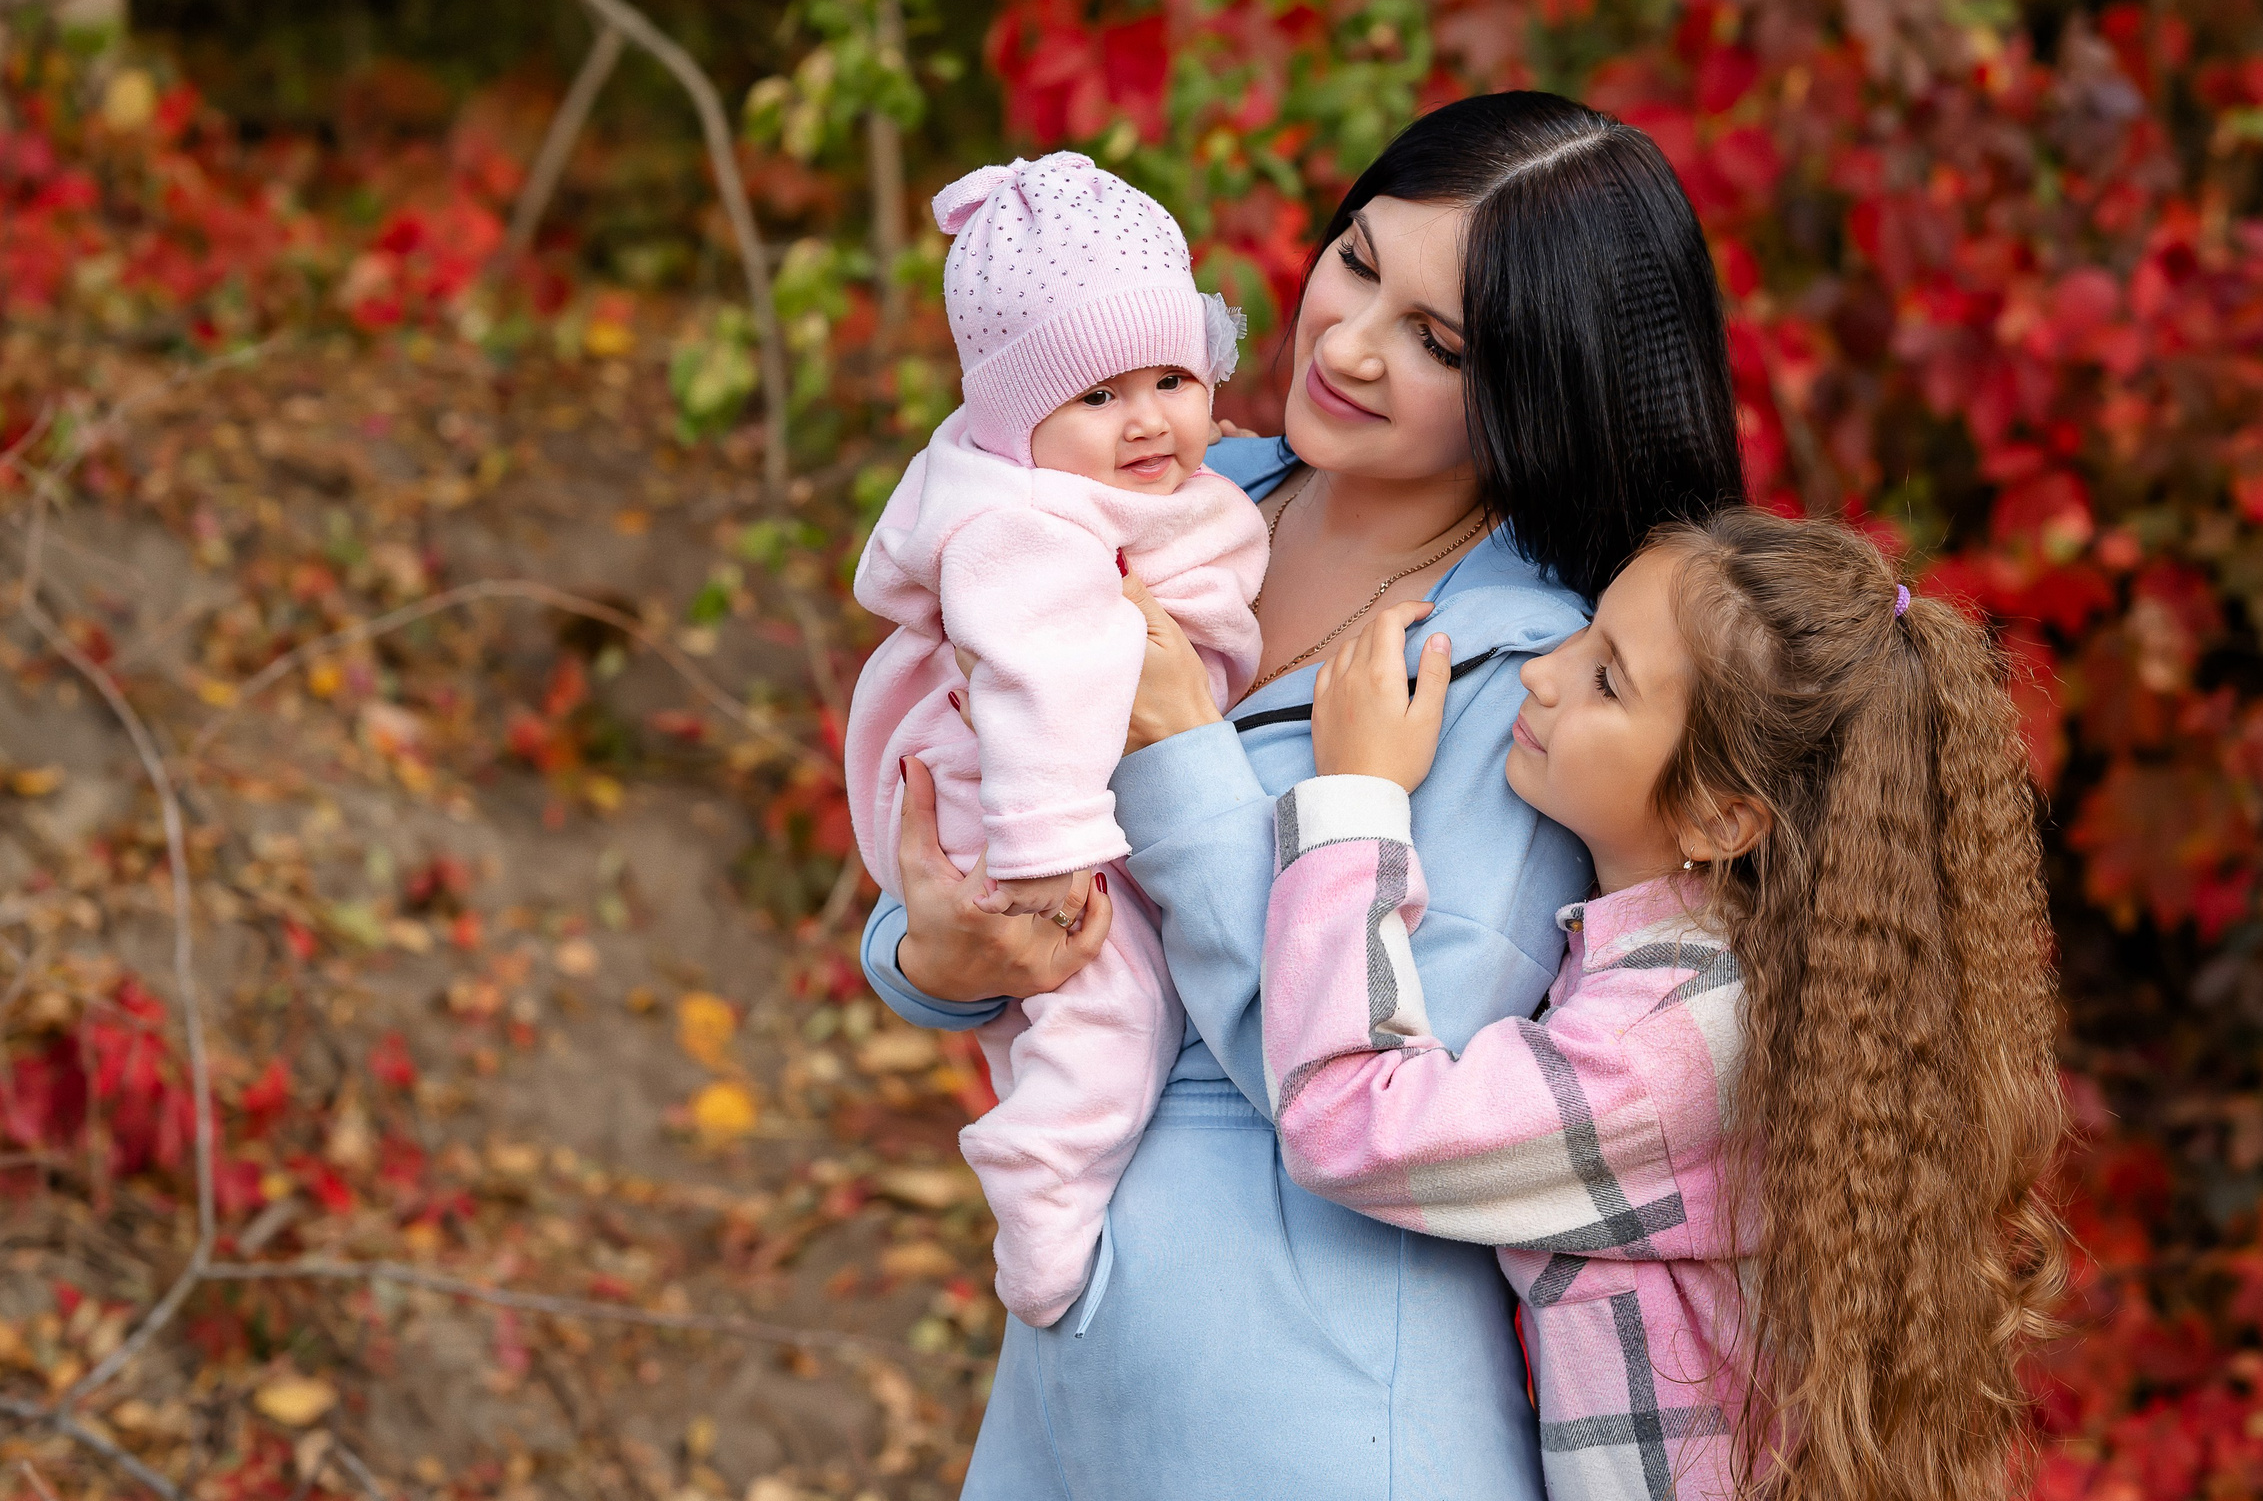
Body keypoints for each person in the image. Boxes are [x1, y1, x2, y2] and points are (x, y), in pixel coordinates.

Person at [863, 92, 1744, 1498]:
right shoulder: (1169, 493)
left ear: (1544, 383)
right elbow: (964, 796)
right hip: (1074, 1380)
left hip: (1317, 1409)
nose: (1343, 343)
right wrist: (933, 957)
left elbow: (1384, 1079)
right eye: (1354, 259)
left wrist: (1173, 748)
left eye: (1436, 339)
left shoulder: (1525, 673)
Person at [1259, 510, 2069, 1501]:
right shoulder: (1715, 977)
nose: (1542, 672)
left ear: (1719, 814)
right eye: (1588, 632)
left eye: (1607, 678)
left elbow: (1345, 1120)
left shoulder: (1672, 1047)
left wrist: (1352, 796)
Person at [842, 152, 1267, 1327]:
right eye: (1095, 397)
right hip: (1021, 807)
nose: (1146, 420)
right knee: (1107, 1009)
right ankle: (1038, 1200)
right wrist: (1042, 851)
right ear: (1018, 423)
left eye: (1171, 378)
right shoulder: (1025, 529)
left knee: (1086, 1009)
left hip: (1066, 799)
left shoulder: (1125, 487)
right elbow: (1034, 679)